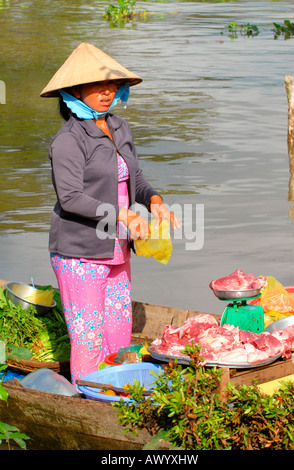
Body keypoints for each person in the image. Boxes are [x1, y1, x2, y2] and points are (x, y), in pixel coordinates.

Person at [40, 42, 180, 386]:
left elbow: (137, 179)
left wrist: (155, 201)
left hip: (117, 247)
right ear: (75, 91)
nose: (107, 92)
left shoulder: (119, 127)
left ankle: (116, 391)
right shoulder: (69, 140)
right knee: (88, 337)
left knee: (118, 328)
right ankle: (87, 393)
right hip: (80, 252)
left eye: (112, 85)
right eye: (97, 86)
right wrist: (121, 214)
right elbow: (71, 198)